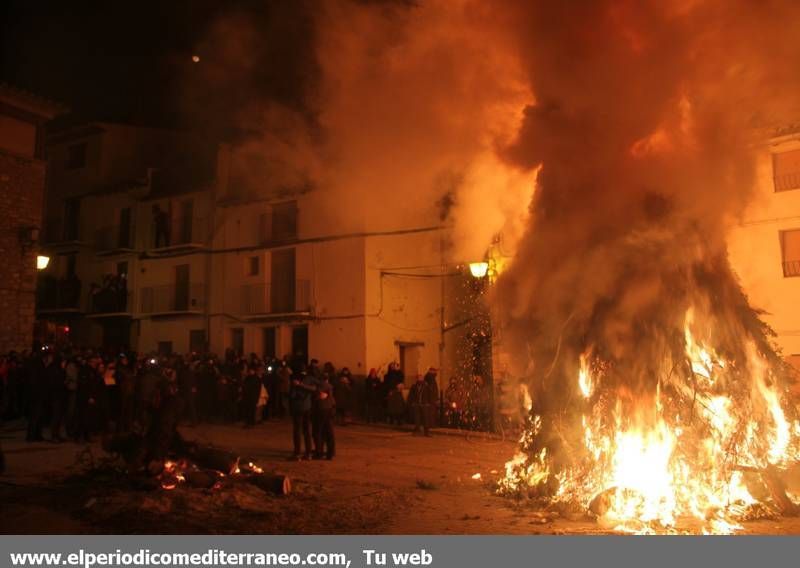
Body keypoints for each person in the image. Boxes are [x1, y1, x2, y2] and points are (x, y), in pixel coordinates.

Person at [289, 364, 318, 460]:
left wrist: (298, 386)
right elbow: (315, 388)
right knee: (306, 431)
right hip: (307, 407)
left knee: (297, 431)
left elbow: (292, 395)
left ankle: (297, 453)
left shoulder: (296, 379)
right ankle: (308, 452)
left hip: (298, 408)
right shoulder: (310, 379)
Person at [314, 373, 336, 460]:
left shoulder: (318, 386)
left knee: (319, 432)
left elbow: (317, 397)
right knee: (329, 433)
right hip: (329, 410)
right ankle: (331, 453)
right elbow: (333, 401)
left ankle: (319, 453)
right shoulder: (330, 387)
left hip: (320, 410)